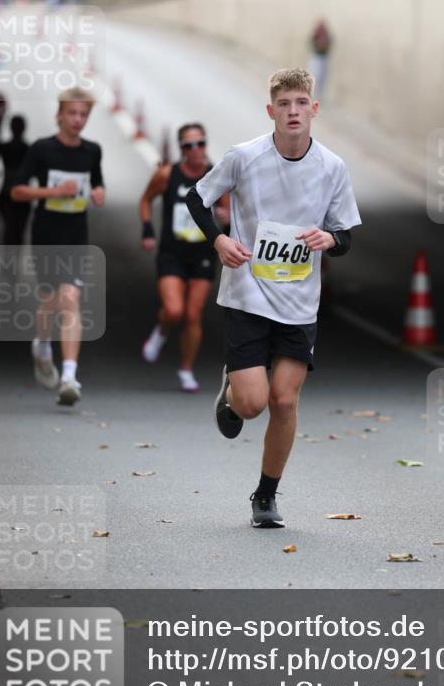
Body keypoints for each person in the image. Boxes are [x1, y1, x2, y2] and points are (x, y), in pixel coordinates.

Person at [186, 67, 361, 528]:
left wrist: (329, 239)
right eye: (284, 104)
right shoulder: (244, 157)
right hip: (248, 296)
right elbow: (196, 198)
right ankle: (231, 391)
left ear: (314, 109)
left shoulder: (332, 167)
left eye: (301, 102)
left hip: (299, 303)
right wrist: (220, 241)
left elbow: (344, 235)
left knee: (284, 401)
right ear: (271, 111)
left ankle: (265, 496)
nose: (293, 111)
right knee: (252, 404)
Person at [11, 87, 105, 406]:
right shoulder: (41, 149)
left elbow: (97, 181)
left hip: (76, 233)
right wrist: (53, 193)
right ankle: (41, 343)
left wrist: (98, 193)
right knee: (50, 299)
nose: (78, 120)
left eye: (83, 115)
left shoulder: (92, 151)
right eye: (73, 113)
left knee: (71, 297)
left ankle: (69, 376)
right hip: (46, 233)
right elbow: (17, 191)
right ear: (60, 114)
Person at [139, 123, 229, 393]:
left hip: (202, 253)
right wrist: (147, 230)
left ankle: (186, 369)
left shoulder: (216, 176)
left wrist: (225, 218)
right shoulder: (168, 174)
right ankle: (162, 330)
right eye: (189, 145)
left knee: (192, 314)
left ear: (206, 144)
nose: (196, 150)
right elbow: (145, 200)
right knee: (174, 310)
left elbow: (228, 210)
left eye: (200, 143)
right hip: (172, 252)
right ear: (181, 149)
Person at [0, 115, 30, 244]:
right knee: (18, 231)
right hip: (22, 195)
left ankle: (8, 258)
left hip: (6, 193)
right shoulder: (27, 149)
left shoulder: (3, 148)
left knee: (10, 229)